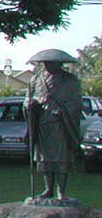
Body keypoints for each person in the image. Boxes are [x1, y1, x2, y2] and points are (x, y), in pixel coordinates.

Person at [26, 48, 83, 200]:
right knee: (45, 158)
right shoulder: (35, 80)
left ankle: (61, 191)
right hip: (43, 123)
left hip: (61, 124)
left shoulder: (70, 80)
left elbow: (77, 102)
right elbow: (28, 100)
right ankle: (48, 188)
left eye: (52, 63)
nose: (48, 66)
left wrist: (64, 111)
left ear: (60, 64)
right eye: (46, 63)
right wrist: (30, 105)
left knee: (61, 158)